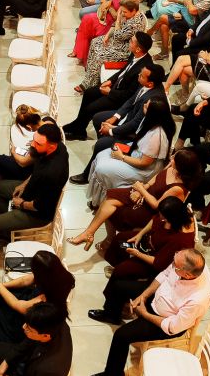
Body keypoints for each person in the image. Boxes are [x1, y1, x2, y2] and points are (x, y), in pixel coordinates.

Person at [88, 249, 210, 376]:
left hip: (164, 320)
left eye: (175, 264)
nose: (172, 264)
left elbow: (173, 327)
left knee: (121, 335)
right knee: (119, 286)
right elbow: (165, 274)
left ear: (187, 275)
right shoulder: (183, 263)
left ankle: (114, 374)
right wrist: (144, 296)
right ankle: (111, 315)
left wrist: (144, 314)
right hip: (157, 298)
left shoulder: (197, 299)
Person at [69, 149, 201, 250]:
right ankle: (89, 233)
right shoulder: (171, 167)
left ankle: (108, 240)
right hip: (145, 194)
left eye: (174, 159)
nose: (171, 158)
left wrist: (141, 190)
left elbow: (157, 206)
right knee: (110, 197)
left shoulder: (178, 188)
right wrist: (141, 189)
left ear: (181, 166)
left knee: (114, 211)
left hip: (151, 210)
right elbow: (154, 179)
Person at [93, 197, 197, 320]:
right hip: (148, 243)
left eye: (164, 217)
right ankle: (124, 282)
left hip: (153, 261)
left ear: (173, 218)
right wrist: (139, 234)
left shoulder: (180, 240)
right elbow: (154, 220)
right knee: (120, 239)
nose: (161, 218)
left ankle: (111, 312)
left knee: (120, 271)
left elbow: (159, 263)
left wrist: (137, 254)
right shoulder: (174, 215)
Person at [0, 124, 69, 240]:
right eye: (34, 140)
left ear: (52, 146)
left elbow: (38, 206)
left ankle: (4, 233)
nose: (32, 145)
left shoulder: (52, 174)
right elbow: (37, 171)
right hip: (33, 190)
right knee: (0, 187)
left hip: (38, 213)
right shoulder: (57, 147)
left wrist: (20, 203)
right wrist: (24, 185)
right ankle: (7, 225)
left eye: (38, 144)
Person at [61, 33, 154, 140]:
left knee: (91, 108)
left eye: (131, 41)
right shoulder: (135, 54)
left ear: (138, 49)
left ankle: (78, 129)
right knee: (88, 93)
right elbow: (123, 71)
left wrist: (110, 92)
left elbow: (130, 95)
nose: (129, 42)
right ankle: (79, 127)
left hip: (119, 97)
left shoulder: (144, 68)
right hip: (116, 87)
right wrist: (110, 80)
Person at [86, 97, 175, 207]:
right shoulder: (150, 121)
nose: (144, 106)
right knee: (101, 155)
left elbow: (144, 163)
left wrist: (121, 157)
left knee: (102, 169)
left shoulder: (156, 135)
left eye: (146, 106)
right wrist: (113, 128)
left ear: (153, 113)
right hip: (138, 153)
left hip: (145, 169)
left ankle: (104, 201)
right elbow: (138, 136)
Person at [78, 0, 146, 89]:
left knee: (99, 55)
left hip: (126, 49)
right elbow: (115, 26)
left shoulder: (135, 24)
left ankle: (90, 85)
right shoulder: (129, 15)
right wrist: (107, 36)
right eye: (122, 11)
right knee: (95, 42)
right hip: (118, 41)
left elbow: (118, 35)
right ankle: (90, 74)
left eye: (125, 12)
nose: (122, 13)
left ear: (133, 10)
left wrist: (118, 19)